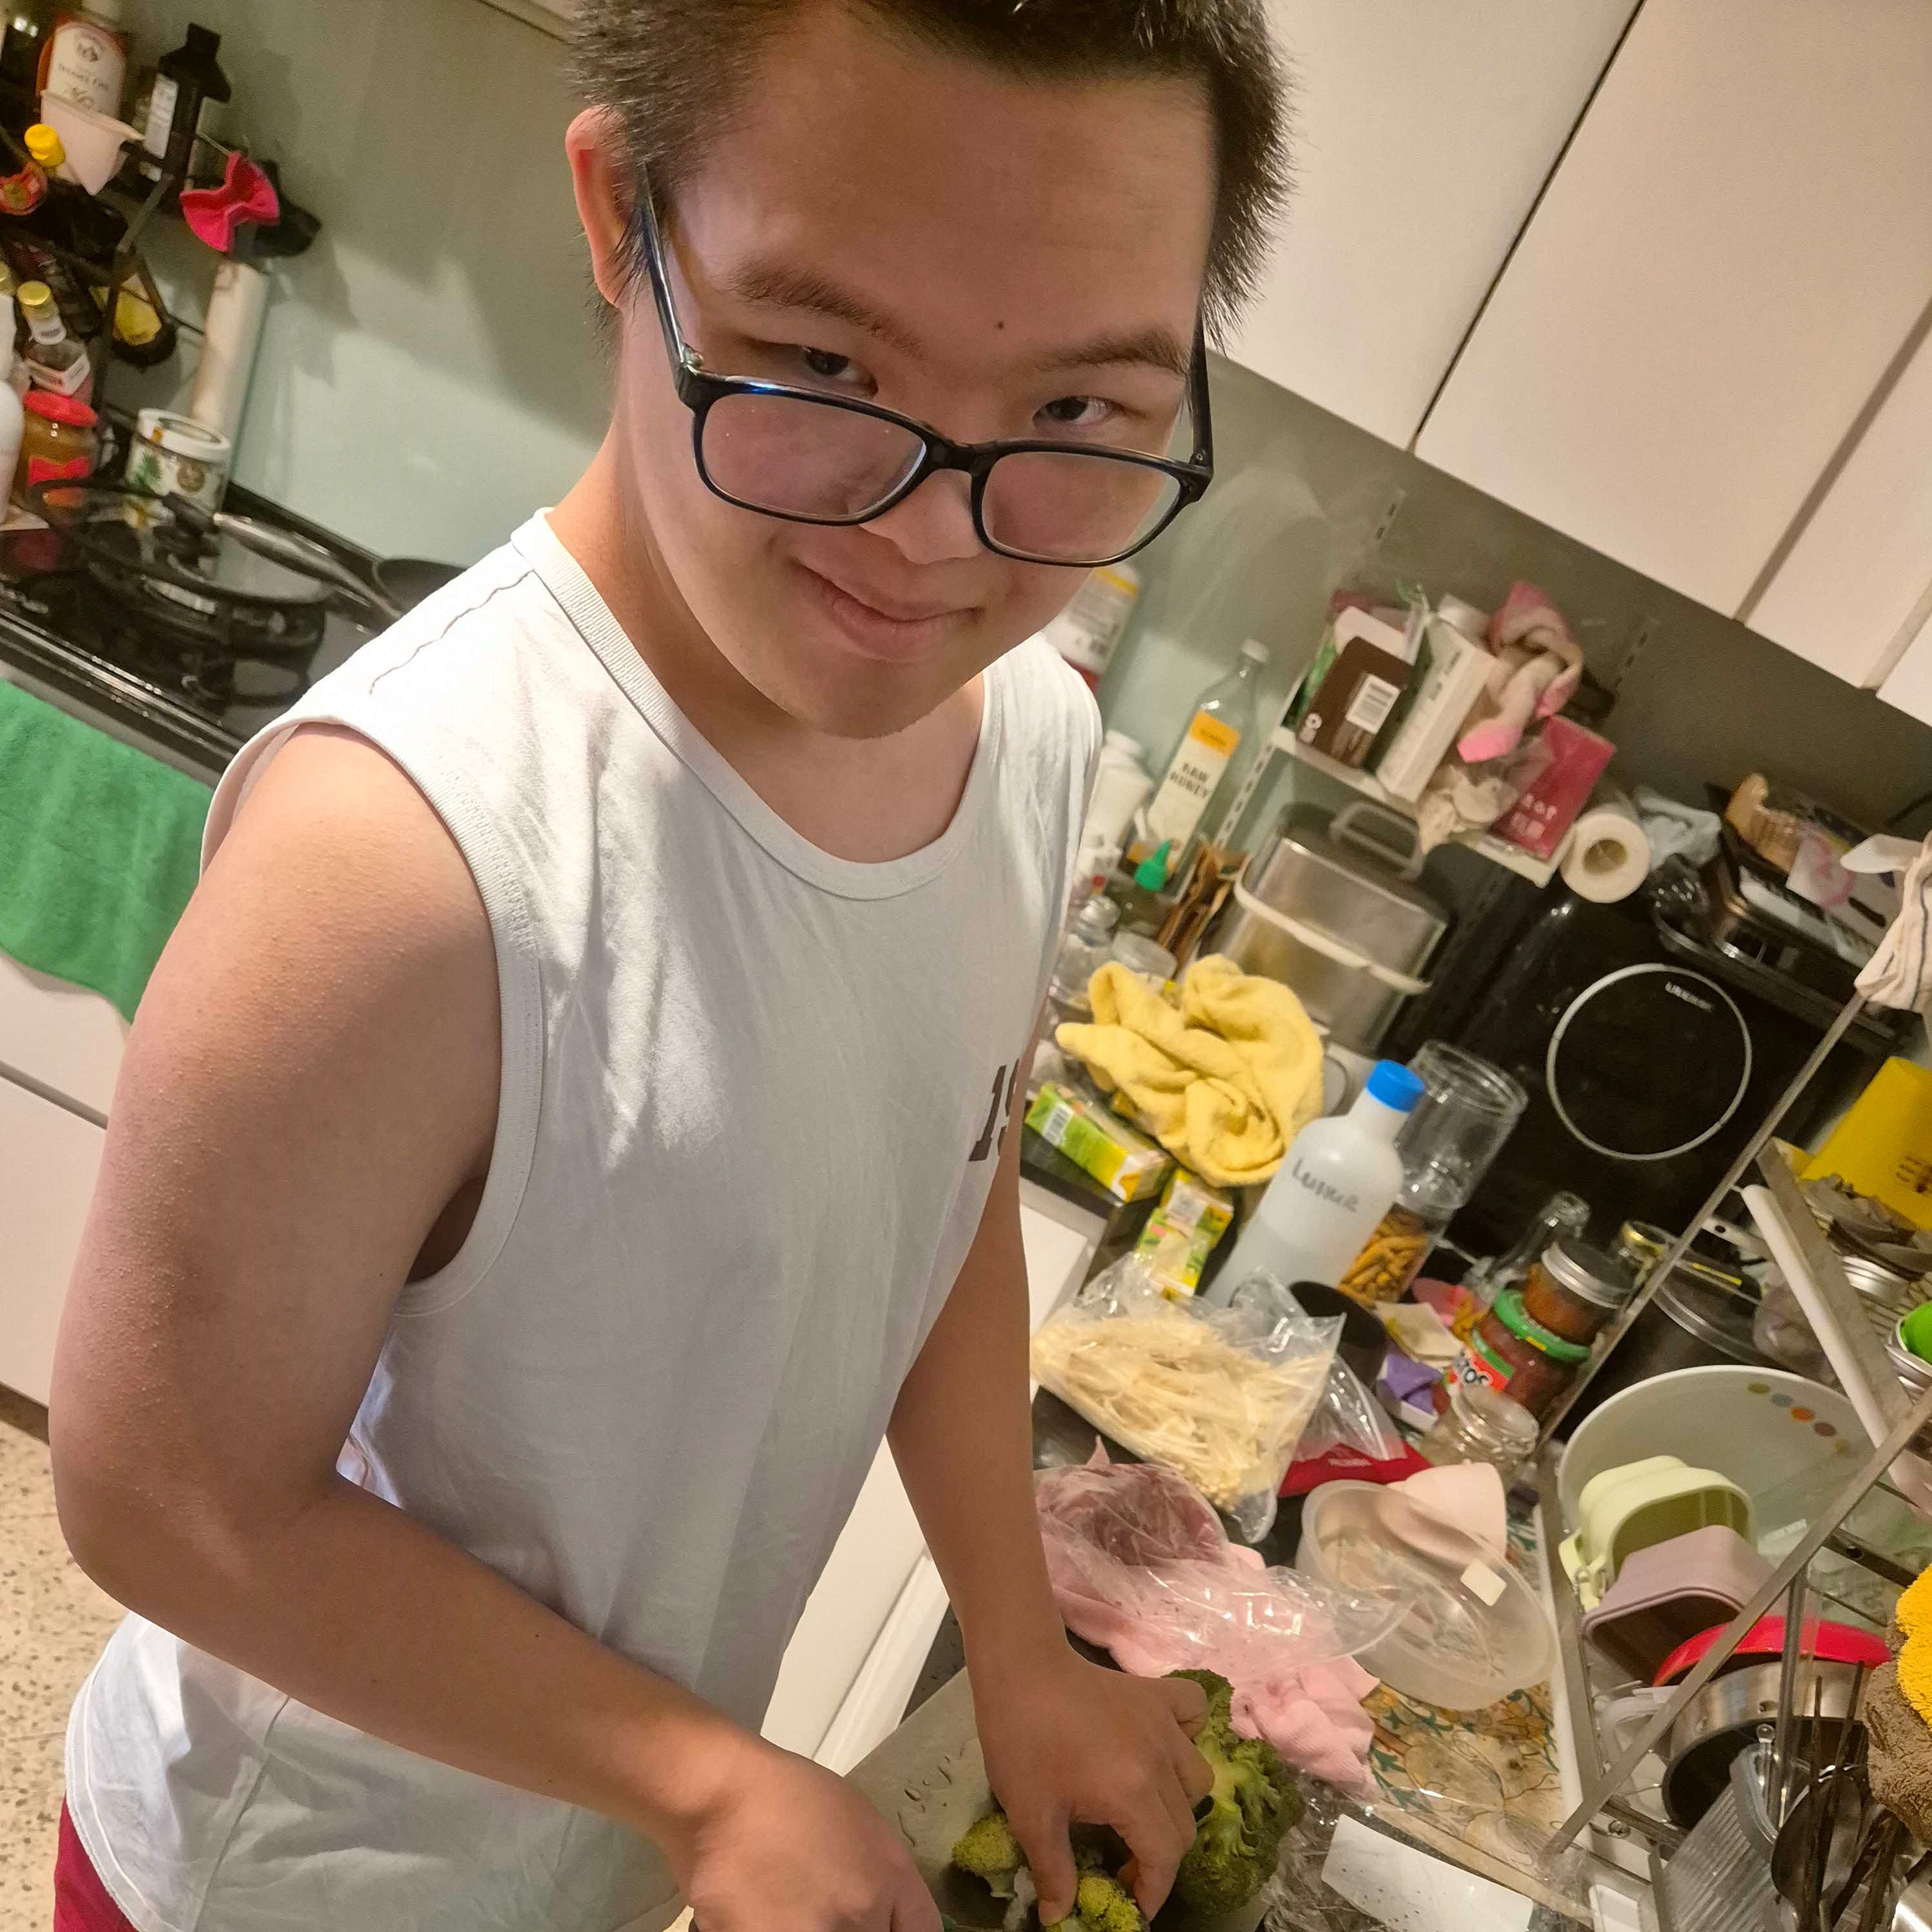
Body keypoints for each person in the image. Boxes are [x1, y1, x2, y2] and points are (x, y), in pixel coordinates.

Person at [48, 3, 1287, 1927]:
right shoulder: (404, 860)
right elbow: (161, 1497)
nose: (931, 538)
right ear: (621, 217)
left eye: (1072, 417)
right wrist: (705, 1782)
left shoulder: (1025, 737)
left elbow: (942, 1177)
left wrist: (1016, 1641)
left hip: (599, 1860)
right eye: (817, 357)